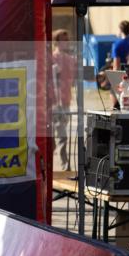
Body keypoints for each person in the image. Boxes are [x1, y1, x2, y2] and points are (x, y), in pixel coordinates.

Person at [51, 29, 76, 170]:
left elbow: (81, 74)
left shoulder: (71, 59)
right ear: (56, 41)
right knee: (57, 137)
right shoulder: (51, 58)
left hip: (65, 102)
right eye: (63, 39)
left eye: (67, 39)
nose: (66, 42)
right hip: (52, 103)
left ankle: (64, 165)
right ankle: (63, 165)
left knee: (61, 135)